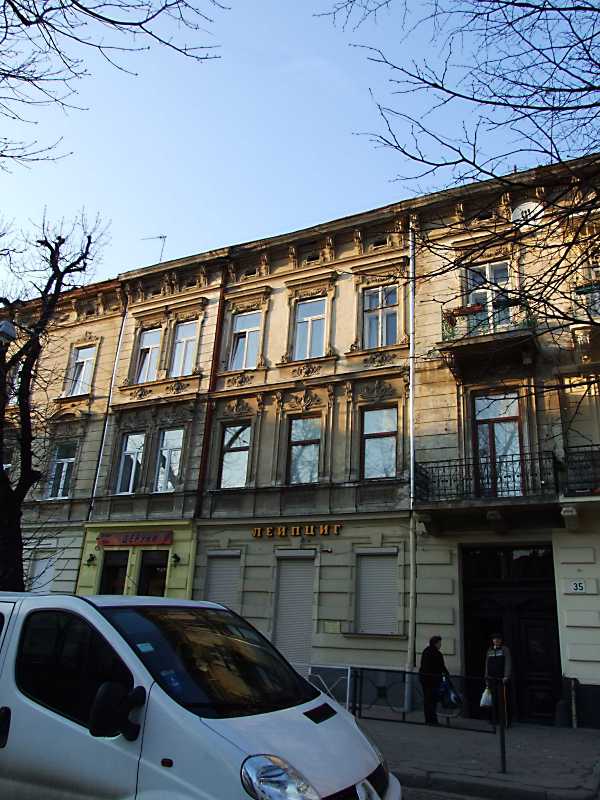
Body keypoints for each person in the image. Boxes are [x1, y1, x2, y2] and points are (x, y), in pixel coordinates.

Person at [419, 635, 449, 725]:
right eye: (439, 643)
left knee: (427, 701)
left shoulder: (426, 651)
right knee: (432, 701)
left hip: (424, 679)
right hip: (433, 680)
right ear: (435, 643)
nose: (440, 645)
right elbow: (442, 666)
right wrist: (447, 675)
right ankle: (433, 721)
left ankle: (428, 720)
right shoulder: (437, 654)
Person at [484, 633, 512, 726]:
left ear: (501, 640)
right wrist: (486, 677)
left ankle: (505, 721)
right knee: (493, 700)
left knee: (503, 700)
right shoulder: (490, 650)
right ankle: (494, 720)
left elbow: (508, 662)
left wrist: (506, 675)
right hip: (491, 679)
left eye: (498, 639)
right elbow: (487, 664)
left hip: (501, 679)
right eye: (494, 639)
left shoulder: (505, 650)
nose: (496, 641)